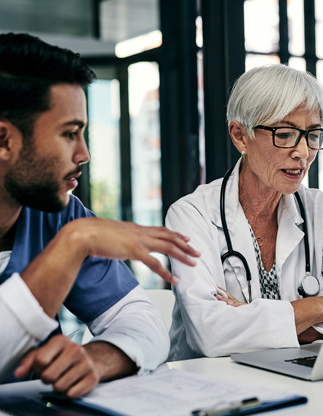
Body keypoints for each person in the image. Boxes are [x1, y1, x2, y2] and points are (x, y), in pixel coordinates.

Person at [0, 33, 200, 397]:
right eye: (69, 134)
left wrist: (100, 357)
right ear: (4, 140)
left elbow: (141, 320)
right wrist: (74, 244)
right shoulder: (74, 231)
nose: (84, 154)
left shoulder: (56, 213)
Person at [166, 64, 323, 360]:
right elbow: (211, 335)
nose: (303, 153)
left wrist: (247, 317)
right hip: (211, 387)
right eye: (284, 134)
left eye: (313, 134)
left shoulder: (321, 211)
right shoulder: (191, 215)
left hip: (297, 375)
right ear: (240, 136)